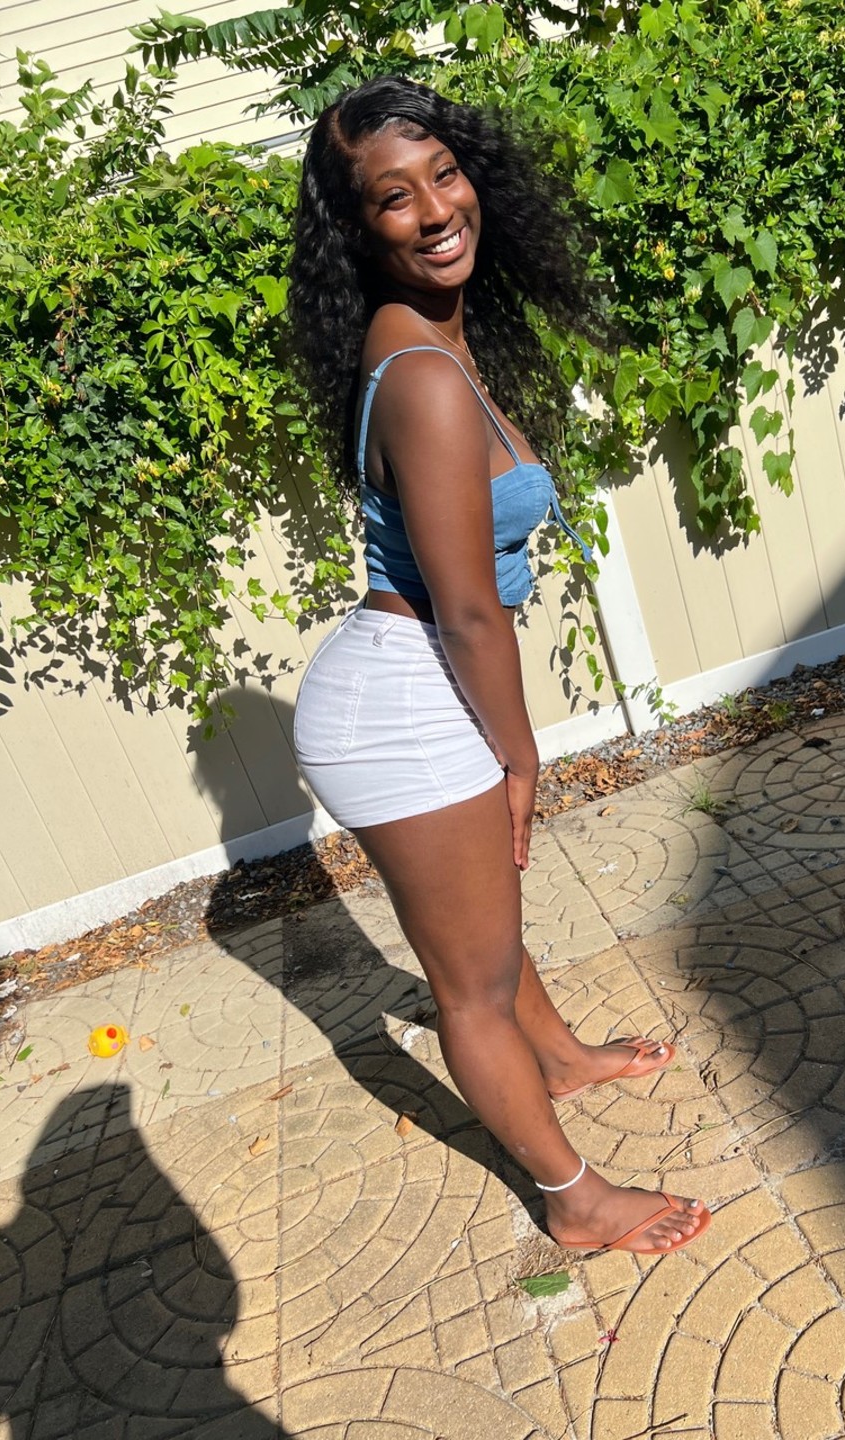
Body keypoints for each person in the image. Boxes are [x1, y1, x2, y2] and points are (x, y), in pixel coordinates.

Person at [287, 75, 710, 1255]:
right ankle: (573, 1200)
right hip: (403, 696)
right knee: (468, 985)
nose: (435, 210)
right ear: (358, 228)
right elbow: (470, 609)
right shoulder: (422, 374)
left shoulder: (431, 341)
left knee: (485, 927)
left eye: (445, 174)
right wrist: (519, 755)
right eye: (394, 197)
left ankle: (558, 1057)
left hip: (410, 676)